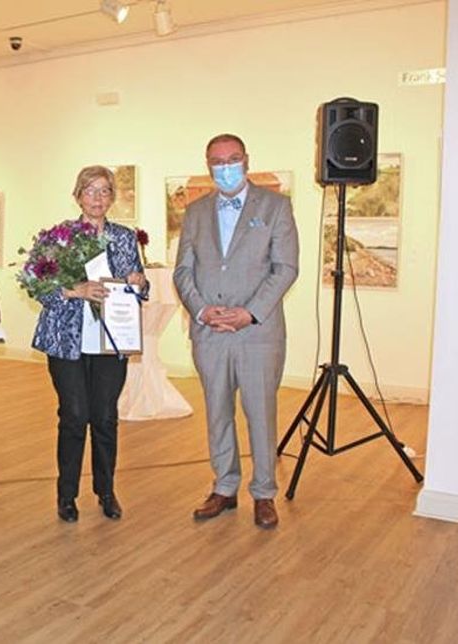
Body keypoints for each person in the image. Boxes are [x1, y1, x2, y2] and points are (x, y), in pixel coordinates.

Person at [173, 133, 299, 530]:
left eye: (232, 159)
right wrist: (200, 308)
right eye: (216, 161)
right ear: (207, 165)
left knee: (260, 413)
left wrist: (250, 313)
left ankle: (263, 493)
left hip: (256, 333)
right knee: (218, 414)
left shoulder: (276, 207)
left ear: (246, 160)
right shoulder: (195, 212)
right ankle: (224, 487)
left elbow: (286, 268)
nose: (225, 166)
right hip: (210, 333)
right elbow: (183, 270)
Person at [32, 165, 148, 523]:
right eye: (90, 190)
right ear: (77, 195)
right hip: (66, 342)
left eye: (104, 191)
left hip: (110, 341)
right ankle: (66, 495)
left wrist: (139, 283)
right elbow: (37, 286)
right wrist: (74, 290)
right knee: (74, 416)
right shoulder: (57, 237)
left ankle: (106, 491)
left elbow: (142, 290)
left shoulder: (125, 238)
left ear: (112, 197)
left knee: (104, 417)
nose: (97, 198)